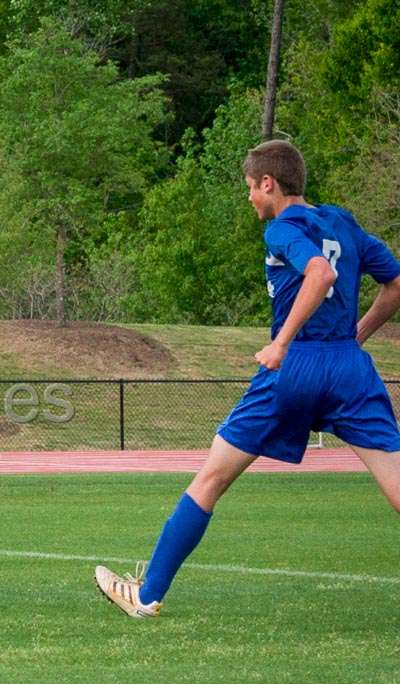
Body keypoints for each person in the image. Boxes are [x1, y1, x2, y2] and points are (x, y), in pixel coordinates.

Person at [95, 139, 400, 618]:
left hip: (293, 367)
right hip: (348, 369)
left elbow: (319, 275)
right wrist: (355, 334)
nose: (250, 199)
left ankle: (147, 595)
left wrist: (282, 344)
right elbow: (396, 284)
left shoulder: (282, 229)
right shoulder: (343, 221)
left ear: (268, 183)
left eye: (250, 189)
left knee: (211, 478)